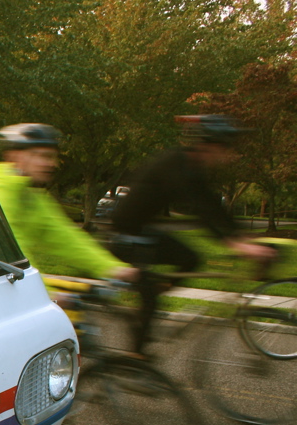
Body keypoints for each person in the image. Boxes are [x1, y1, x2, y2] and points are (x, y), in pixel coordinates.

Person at [110, 114, 274, 351]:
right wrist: (235, 244)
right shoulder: (176, 165)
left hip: (143, 231)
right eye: (224, 149)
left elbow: (212, 205)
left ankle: (151, 296)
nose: (227, 156)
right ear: (210, 146)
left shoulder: (192, 168)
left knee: (190, 258)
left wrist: (240, 235)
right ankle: (136, 359)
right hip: (125, 236)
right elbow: (199, 209)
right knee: (150, 296)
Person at [0, 123, 137, 284]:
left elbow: (64, 237)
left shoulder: (31, 196)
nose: (51, 164)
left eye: (52, 157)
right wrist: (46, 293)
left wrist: (114, 269)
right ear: (14, 156)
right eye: (42, 156)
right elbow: (10, 253)